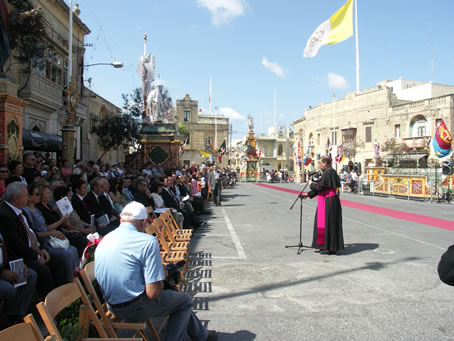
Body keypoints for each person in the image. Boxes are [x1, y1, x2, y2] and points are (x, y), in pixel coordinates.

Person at [94, 201, 216, 341]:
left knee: (177, 298)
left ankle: (201, 335)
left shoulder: (105, 240)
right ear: (143, 222)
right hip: (134, 307)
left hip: (111, 306)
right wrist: (162, 276)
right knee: (185, 301)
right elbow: (153, 293)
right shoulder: (146, 241)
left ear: (121, 220)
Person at [302, 156, 344, 255]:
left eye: (320, 162)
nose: (319, 164)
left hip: (329, 201)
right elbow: (323, 188)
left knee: (329, 223)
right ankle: (324, 245)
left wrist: (311, 184)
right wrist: (309, 194)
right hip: (327, 199)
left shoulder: (329, 172)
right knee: (324, 223)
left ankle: (331, 247)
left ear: (325, 163)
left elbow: (320, 187)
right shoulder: (328, 172)